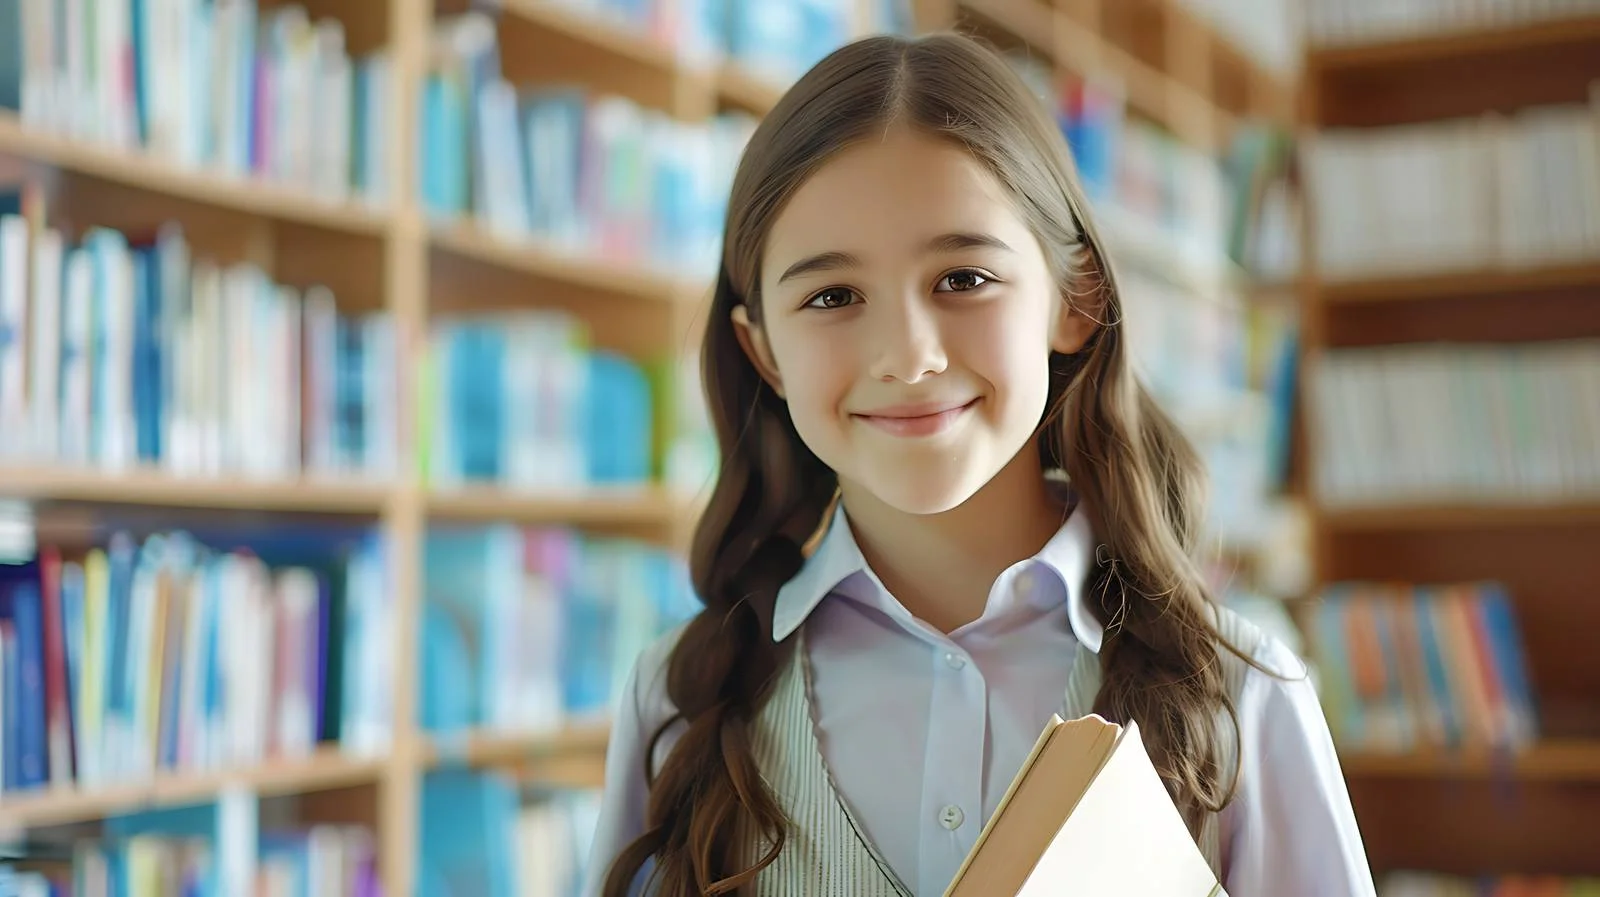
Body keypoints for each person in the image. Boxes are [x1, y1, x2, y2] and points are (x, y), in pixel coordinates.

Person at [583, 30, 1376, 897]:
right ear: (763, 351)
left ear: (1076, 299)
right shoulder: (677, 700)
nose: (908, 355)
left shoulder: (1244, 694)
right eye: (833, 296)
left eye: (962, 279)